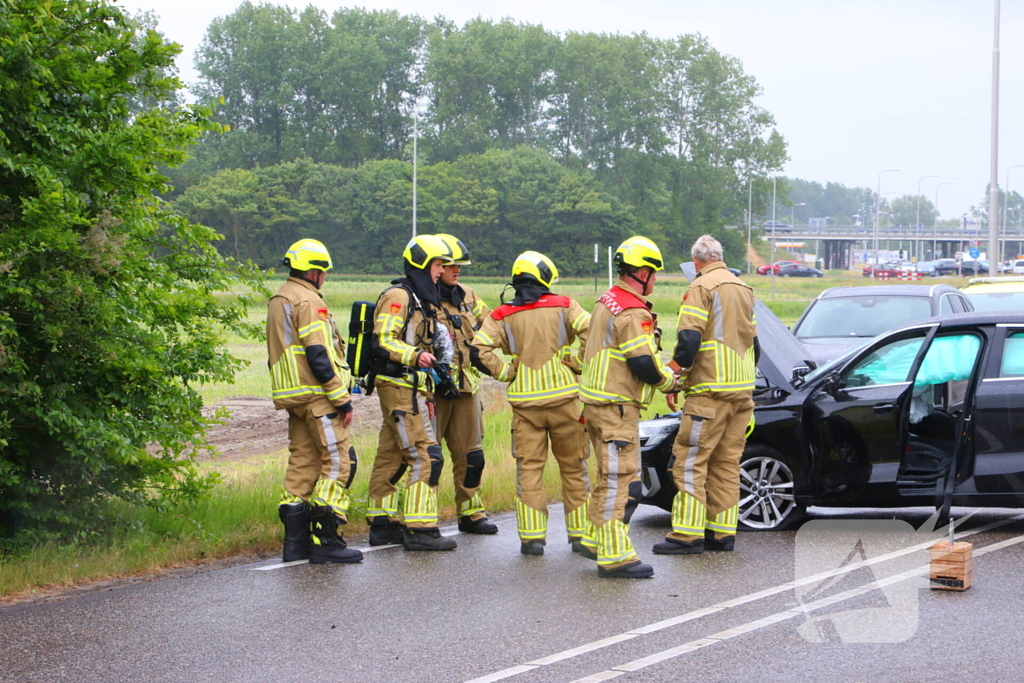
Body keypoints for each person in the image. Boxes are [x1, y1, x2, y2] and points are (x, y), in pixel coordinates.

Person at [472, 251, 591, 556]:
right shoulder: (565, 305)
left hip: (525, 407)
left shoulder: (501, 314)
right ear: (544, 277)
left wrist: (505, 372)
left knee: (529, 472)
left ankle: (532, 540)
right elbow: (593, 331)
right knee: (574, 468)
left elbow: (478, 350)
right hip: (565, 402)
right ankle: (580, 537)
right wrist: (577, 364)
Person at [578, 236, 677, 579]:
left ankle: (594, 539)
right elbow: (643, 362)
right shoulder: (633, 311)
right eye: (654, 273)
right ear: (643, 272)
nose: (655, 280)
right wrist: (669, 383)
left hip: (596, 404)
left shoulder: (606, 301)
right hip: (616, 406)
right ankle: (615, 555)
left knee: (607, 477)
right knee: (624, 482)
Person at [654, 234, 758, 555]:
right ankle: (721, 533)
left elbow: (688, 342)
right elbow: (755, 344)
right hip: (742, 393)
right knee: (726, 463)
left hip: (709, 393)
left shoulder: (701, 287)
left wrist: (673, 376)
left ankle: (687, 535)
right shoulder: (744, 289)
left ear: (697, 262)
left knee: (689, 461)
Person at [267, 239, 362, 564]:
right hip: (318, 396)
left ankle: (295, 545)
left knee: (302, 464)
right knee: (339, 462)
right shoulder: (308, 301)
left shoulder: (279, 298)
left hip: (294, 397)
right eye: (323, 271)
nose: (324, 277)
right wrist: (341, 399)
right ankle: (326, 541)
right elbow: (318, 353)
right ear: (313, 271)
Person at [366, 234, 458, 551]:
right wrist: (414, 356)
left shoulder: (421, 300)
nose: (441, 271)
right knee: (425, 455)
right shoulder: (398, 296)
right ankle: (420, 529)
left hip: (413, 388)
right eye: (437, 264)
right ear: (422, 264)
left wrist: (429, 392)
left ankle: (382, 523)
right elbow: (384, 339)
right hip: (399, 386)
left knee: (391, 454)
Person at [432, 234, 498, 535]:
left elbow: (493, 324)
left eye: (458, 265)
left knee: (472, 455)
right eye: (450, 265)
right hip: (432, 389)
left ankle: (471, 513)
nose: (456, 270)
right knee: (429, 457)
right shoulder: (418, 298)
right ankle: (423, 519)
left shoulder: (468, 295)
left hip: (466, 387)